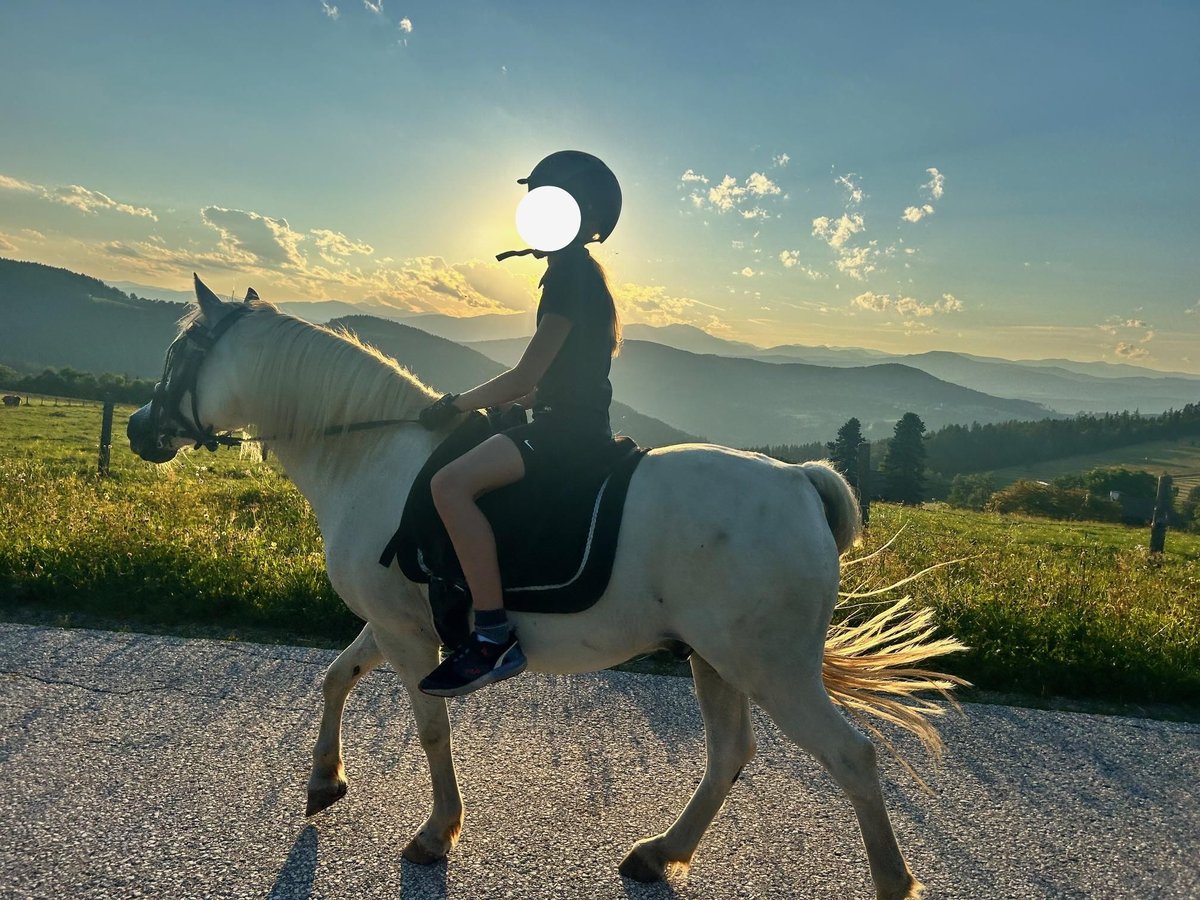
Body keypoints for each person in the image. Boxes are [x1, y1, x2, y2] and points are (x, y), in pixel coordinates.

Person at [416, 151, 623, 697]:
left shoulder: (568, 279)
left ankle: (492, 635)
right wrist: (518, 402)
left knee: (449, 485)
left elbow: (524, 373)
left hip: (565, 434)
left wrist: (456, 403)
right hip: (574, 422)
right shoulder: (580, 275)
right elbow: (548, 379)